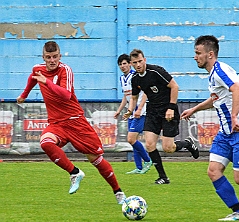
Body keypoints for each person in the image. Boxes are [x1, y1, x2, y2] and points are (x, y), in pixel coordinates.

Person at [16, 41, 126, 204]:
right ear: (43, 57)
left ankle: (119, 193)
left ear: (60, 56)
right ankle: (74, 172)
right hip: (57, 124)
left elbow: (66, 95)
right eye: (48, 57)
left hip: (75, 122)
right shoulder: (37, 69)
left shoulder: (65, 70)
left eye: (55, 57)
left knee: (95, 158)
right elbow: (33, 78)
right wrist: (24, 95)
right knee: (46, 143)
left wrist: (47, 82)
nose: (52, 60)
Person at [181, 35, 239, 221]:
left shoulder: (221, 70)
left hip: (237, 131)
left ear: (210, 54)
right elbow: (216, 98)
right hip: (225, 133)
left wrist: (234, 116)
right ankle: (238, 211)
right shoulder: (213, 75)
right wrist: (195, 108)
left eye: (198, 53)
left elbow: (237, 87)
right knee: (213, 171)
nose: (195, 57)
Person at [124, 49, 199, 184]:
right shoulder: (135, 79)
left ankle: (187, 143)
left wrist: (171, 107)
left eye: (140, 61)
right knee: (150, 144)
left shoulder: (156, 71)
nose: (138, 65)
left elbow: (175, 87)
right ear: (131, 64)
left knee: (168, 148)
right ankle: (163, 177)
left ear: (144, 60)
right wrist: (130, 110)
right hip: (152, 111)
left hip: (167, 110)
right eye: (135, 63)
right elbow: (134, 97)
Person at [114, 54, 152, 174]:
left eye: (125, 63)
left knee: (131, 139)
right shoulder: (122, 78)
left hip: (141, 111)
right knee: (133, 140)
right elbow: (126, 97)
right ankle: (138, 167)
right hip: (131, 112)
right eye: (120, 64)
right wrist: (120, 110)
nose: (122, 66)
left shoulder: (135, 76)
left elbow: (145, 92)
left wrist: (140, 109)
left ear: (130, 63)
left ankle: (147, 160)